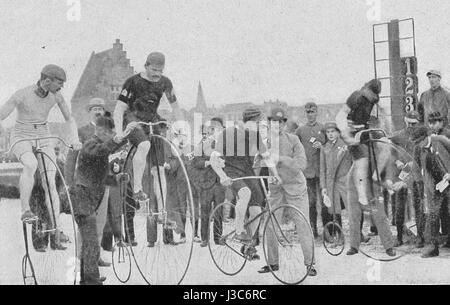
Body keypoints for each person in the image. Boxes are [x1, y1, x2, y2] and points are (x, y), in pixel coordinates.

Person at [0, 65, 80, 247]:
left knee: (50, 182)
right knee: (30, 164)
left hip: (44, 136)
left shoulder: (56, 96)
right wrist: (3, 132)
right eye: (59, 83)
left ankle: (57, 229)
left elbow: (70, 118)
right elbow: (1, 115)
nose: (62, 87)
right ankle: (25, 210)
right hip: (21, 135)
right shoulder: (22, 94)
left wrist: (74, 138)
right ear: (47, 80)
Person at [65, 115, 133, 285]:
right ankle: (91, 280)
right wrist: (118, 139)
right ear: (102, 131)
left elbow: (100, 179)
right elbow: (102, 150)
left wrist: (118, 179)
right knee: (92, 241)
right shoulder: (90, 145)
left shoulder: (99, 147)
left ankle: (89, 276)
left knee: (91, 241)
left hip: (87, 201)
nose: (112, 136)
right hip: (82, 199)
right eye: (111, 133)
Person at [336, 79, 396, 256]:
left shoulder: (379, 136)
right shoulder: (357, 103)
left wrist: (377, 173)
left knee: (378, 209)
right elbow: (344, 123)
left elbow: (386, 148)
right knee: (353, 209)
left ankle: (389, 245)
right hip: (357, 173)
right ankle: (354, 245)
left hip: (371, 176)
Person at [113, 52, 183, 203]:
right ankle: (137, 188)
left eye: (160, 71)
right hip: (133, 121)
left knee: (159, 169)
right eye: (154, 70)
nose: (157, 74)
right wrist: (119, 131)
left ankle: (162, 209)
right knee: (144, 144)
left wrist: (181, 127)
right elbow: (119, 109)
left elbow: (176, 107)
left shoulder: (165, 82)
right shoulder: (132, 82)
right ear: (146, 66)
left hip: (151, 121)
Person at [210, 107, 278, 250]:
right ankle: (239, 231)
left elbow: (266, 157)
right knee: (245, 193)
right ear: (250, 122)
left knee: (257, 210)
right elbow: (213, 158)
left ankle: (248, 243)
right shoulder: (228, 133)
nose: (260, 127)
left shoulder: (256, 136)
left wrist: (275, 173)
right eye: (258, 123)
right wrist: (222, 176)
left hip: (248, 171)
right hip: (231, 171)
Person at [259, 108, 317, 276]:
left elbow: (301, 164)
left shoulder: (293, 140)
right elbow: (258, 162)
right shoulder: (265, 143)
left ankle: (310, 264)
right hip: (276, 190)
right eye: (273, 122)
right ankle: (273, 263)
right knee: (270, 225)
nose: (276, 125)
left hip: (295, 188)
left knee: (303, 224)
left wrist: (281, 159)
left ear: (284, 124)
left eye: (279, 122)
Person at [65, 98, 112, 267]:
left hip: (104, 183)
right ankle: (79, 256)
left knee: (99, 222)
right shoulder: (82, 131)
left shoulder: (108, 131)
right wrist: (69, 182)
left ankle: (94, 255)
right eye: (94, 108)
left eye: (100, 108)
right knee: (85, 221)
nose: (98, 111)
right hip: (85, 185)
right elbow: (72, 157)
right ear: (89, 112)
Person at [319, 122, 368, 242]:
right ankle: (339, 236)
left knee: (354, 208)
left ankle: (358, 234)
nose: (330, 134)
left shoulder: (346, 146)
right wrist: (323, 186)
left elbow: (355, 163)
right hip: (331, 185)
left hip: (345, 182)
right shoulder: (324, 148)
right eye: (328, 132)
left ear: (338, 133)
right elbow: (322, 169)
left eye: (333, 132)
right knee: (334, 211)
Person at [389, 111, 426, 247]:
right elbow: (390, 150)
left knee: (419, 205)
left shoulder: (422, 136)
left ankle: (420, 237)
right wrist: (397, 161)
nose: (411, 126)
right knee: (399, 205)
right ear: (405, 121)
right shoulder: (398, 135)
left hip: (416, 173)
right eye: (409, 123)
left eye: (414, 124)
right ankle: (399, 236)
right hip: (403, 172)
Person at [413, 126, 450, 258]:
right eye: (416, 142)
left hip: (448, 181)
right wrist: (416, 184)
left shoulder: (440, 140)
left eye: (420, 141)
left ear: (426, 136)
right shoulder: (419, 149)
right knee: (433, 214)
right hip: (435, 186)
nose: (419, 144)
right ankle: (433, 248)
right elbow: (414, 166)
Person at [191, 117, 226, 247]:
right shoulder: (203, 145)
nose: (214, 131)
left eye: (217, 129)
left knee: (219, 211)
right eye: (212, 129)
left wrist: (224, 164)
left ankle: (218, 238)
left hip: (220, 183)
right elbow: (195, 162)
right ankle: (205, 239)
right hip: (206, 183)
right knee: (205, 211)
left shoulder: (227, 145)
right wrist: (208, 162)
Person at [295, 102, 326, 238]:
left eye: (312, 112)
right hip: (307, 172)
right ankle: (313, 229)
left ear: (317, 112)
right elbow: (294, 148)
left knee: (325, 202)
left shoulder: (323, 128)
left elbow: (331, 145)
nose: (310, 115)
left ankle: (328, 230)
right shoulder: (300, 130)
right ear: (305, 113)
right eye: (308, 112)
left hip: (322, 171)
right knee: (311, 202)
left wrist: (322, 146)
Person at [427, 112, 450, 236]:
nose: (432, 125)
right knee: (441, 209)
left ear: (441, 122)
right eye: (430, 123)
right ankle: (446, 234)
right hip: (438, 178)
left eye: (434, 123)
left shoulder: (447, 135)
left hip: (447, 176)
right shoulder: (431, 136)